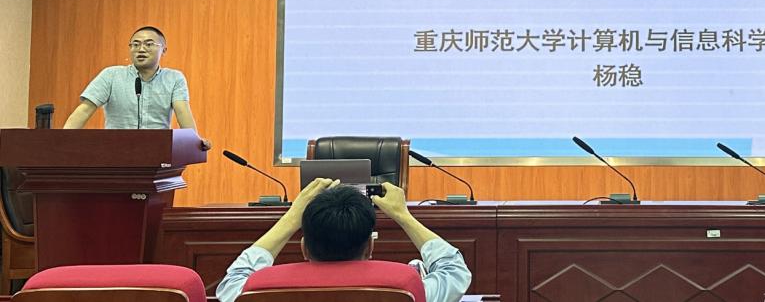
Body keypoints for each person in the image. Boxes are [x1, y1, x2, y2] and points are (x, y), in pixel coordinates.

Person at [216, 179, 472, 302]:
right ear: (370, 247)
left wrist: (292, 217)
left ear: (304, 248)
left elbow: (232, 280)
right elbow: (454, 269)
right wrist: (403, 216)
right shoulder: (405, 287)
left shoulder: (258, 291)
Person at [62, 26, 211, 150]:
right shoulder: (111, 75)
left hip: (157, 152)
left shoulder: (174, 78)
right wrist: (62, 140)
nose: (141, 49)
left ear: (164, 50)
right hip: (116, 151)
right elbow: (85, 110)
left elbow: (183, 112)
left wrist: (195, 141)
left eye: (149, 44)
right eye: (135, 44)